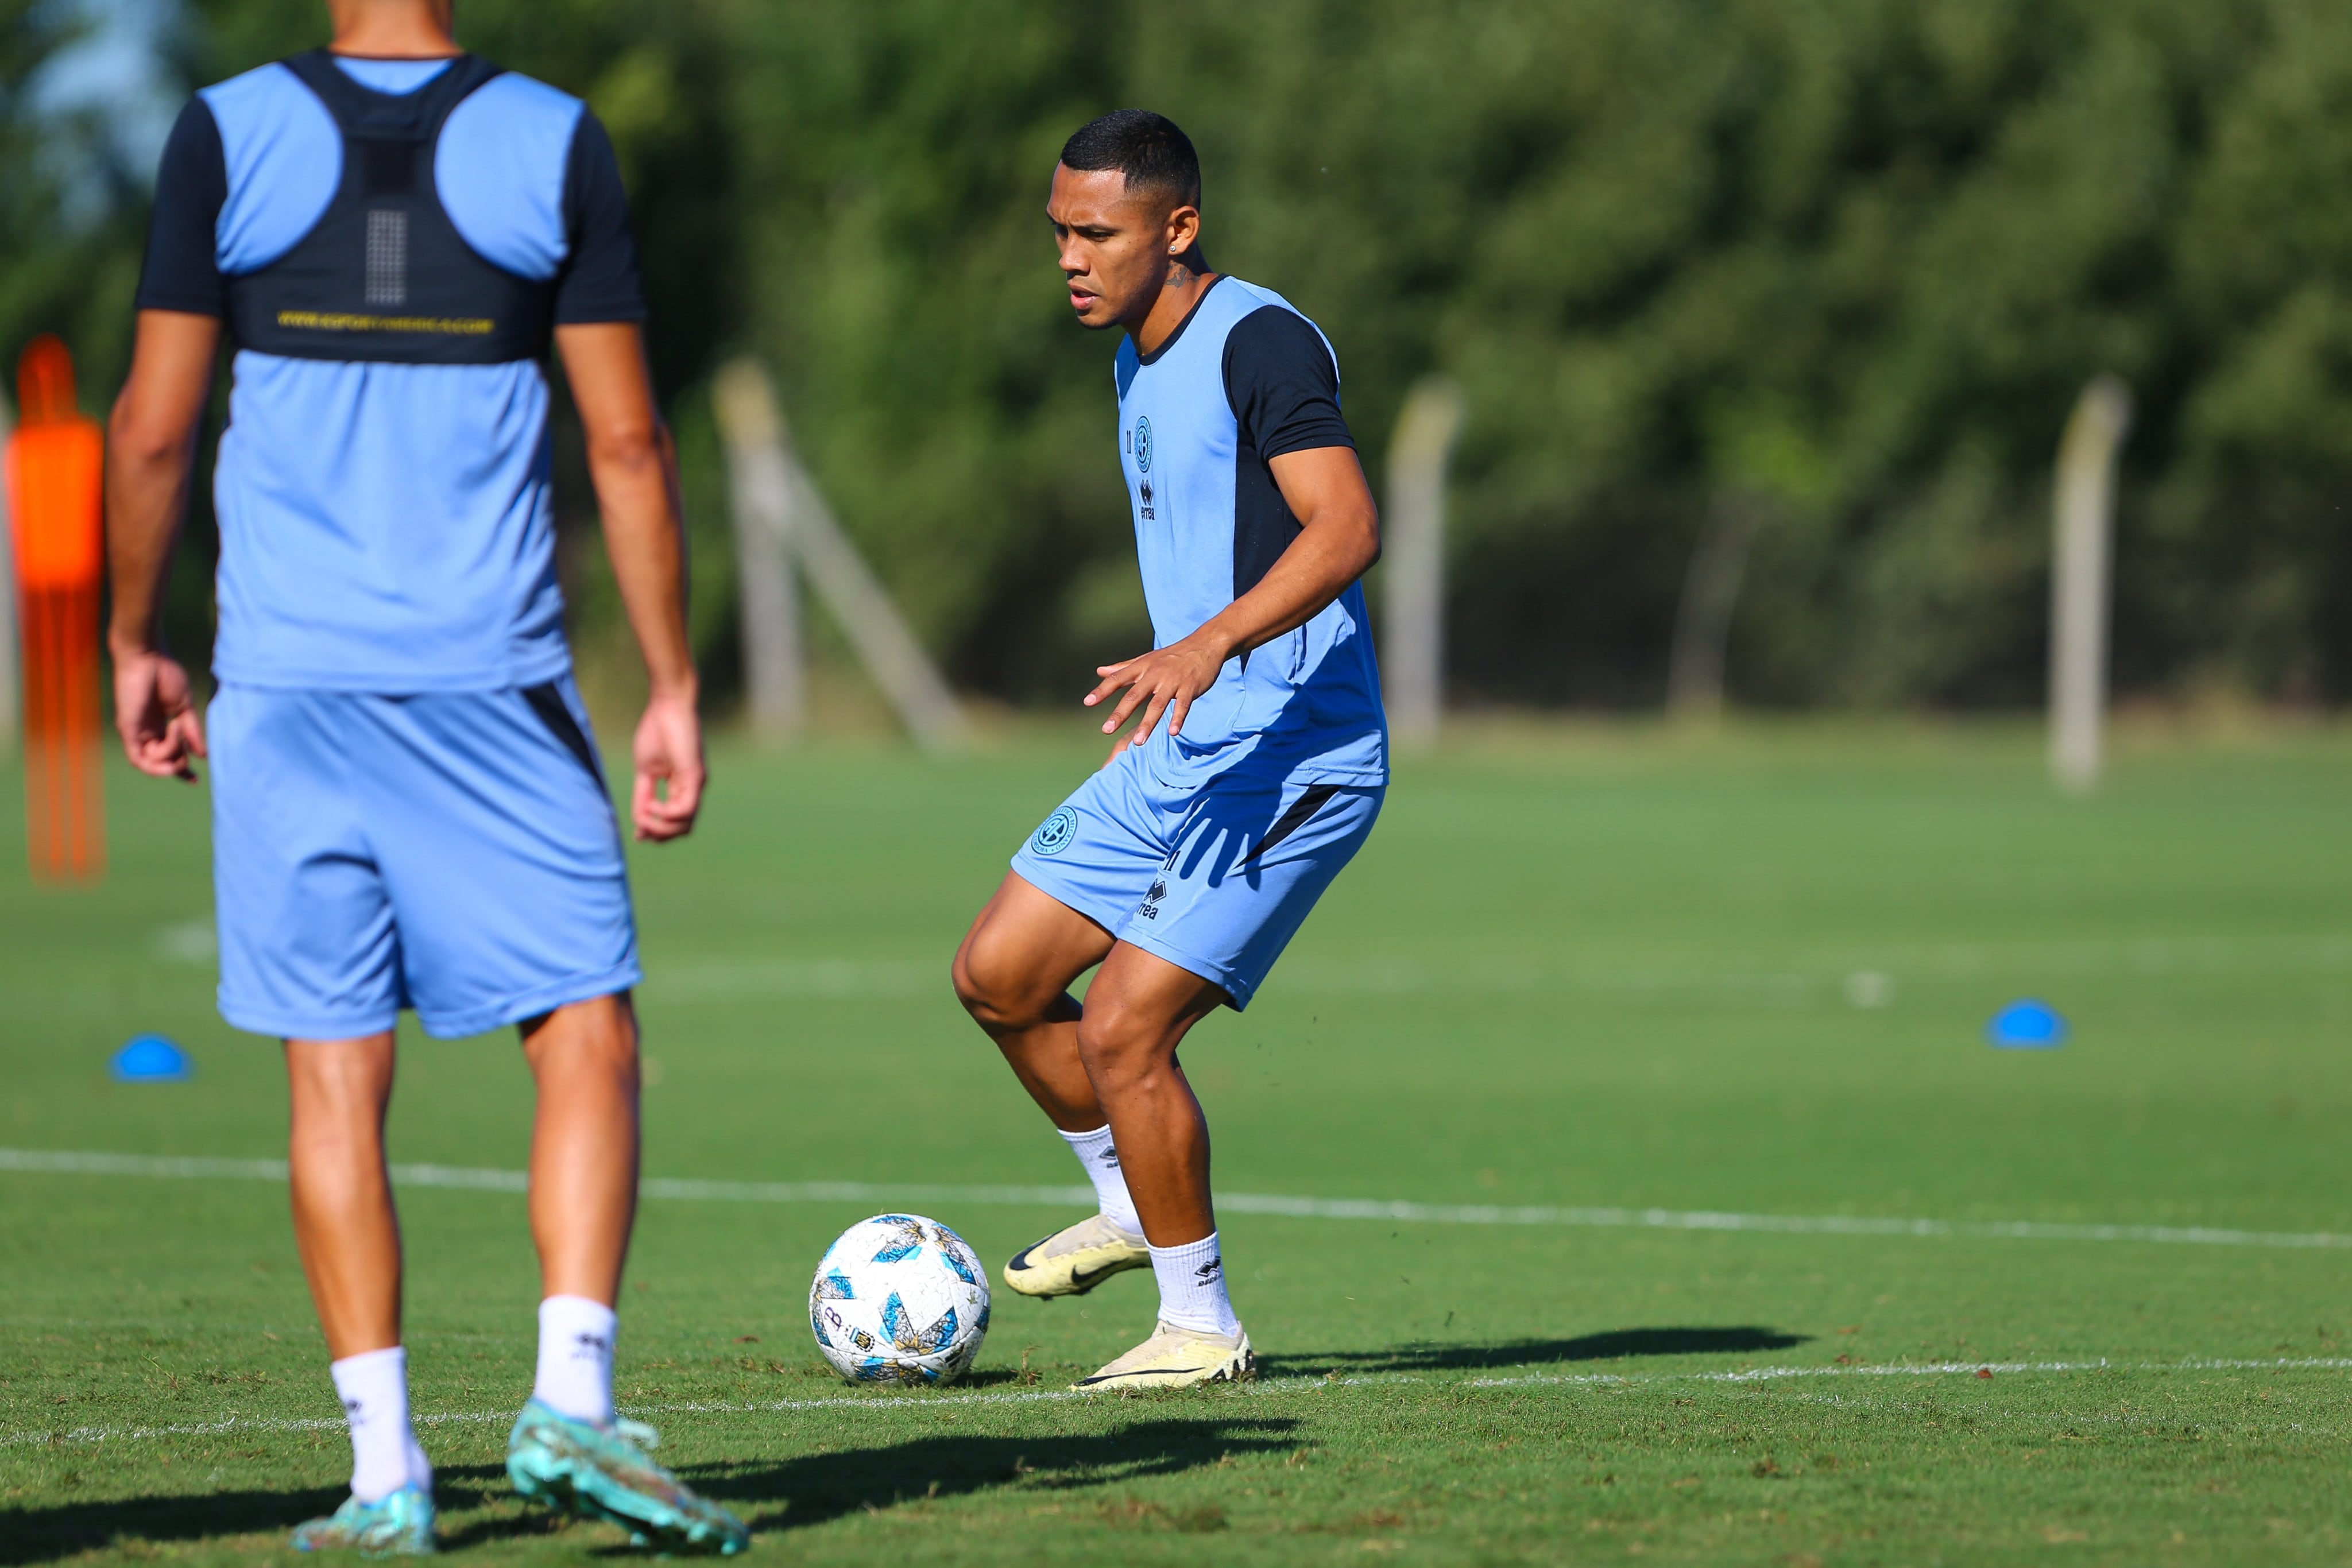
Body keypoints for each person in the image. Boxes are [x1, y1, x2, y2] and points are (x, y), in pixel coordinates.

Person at [106, 0, 745, 1552]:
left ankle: (386, 1473)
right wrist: (667, 678)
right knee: (584, 1026)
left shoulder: (226, 131)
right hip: (492, 680)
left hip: (283, 679)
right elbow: (627, 446)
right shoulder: (554, 140)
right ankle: (572, 1396)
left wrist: (136, 637)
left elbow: (149, 433)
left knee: (335, 1069)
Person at [951, 110, 1387, 1390]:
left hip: (1296, 749)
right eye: (1060, 235)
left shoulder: (1259, 337)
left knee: (1125, 1030)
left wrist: (1205, 644)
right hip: (1188, 740)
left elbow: (1346, 524)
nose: (1072, 259)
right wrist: (1188, 675)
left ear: (1176, 229)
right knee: (999, 975)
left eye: (1098, 233)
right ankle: (1133, 1207)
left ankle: (1199, 1323)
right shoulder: (1132, 355)